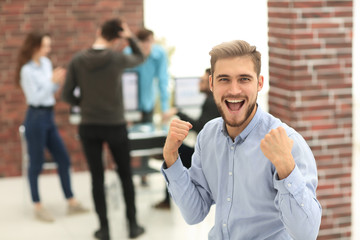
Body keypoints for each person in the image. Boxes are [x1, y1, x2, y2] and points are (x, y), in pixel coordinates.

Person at [161, 40, 322, 239]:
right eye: (224, 79)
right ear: (211, 84)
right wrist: (171, 157)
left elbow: (306, 234)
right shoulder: (208, 136)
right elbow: (194, 213)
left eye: (244, 79)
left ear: (259, 83)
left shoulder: (288, 142)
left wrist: (286, 168)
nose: (234, 90)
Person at [62, 19, 145, 240]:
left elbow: (67, 95)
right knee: (126, 175)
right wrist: (130, 37)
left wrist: (84, 104)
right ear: (118, 37)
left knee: (96, 178)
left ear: (98, 31)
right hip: (115, 125)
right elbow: (140, 57)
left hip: (89, 126)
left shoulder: (78, 60)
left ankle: (104, 229)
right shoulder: (117, 58)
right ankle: (133, 226)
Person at [15, 31, 89, 223]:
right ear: (35, 46)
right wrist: (50, 82)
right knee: (36, 163)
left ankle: (71, 201)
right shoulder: (27, 71)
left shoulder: (46, 64)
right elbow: (34, 98)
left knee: (63, 159)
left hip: (49, 116)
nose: (49, 49)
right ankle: (37, 205)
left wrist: (57, 83)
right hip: (35, 117)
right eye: (46, 45)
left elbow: (50, 93)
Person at [154, 68, 220, 209]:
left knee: (173, 154)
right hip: (206, 152)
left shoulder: (211, 101)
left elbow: (200, 126)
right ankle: (167, 198)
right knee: (173, 153)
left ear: (211, 83)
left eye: (202, 81)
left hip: (207, 157)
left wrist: (179, 113)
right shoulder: (211, 100)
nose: (199, 84)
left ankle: (167, 200)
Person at [123, 28, 170, 186]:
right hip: (130, 105)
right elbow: (125, 82)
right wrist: (126, 112)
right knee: (128, 140)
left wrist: (165, 109)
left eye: (149, 42)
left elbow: (163, 80)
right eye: (143, 43)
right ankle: (127, 173)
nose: (146, 46)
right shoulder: (128, 53)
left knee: (146, 138)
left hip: (148, 102)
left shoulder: (159, 54)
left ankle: (143, 174)